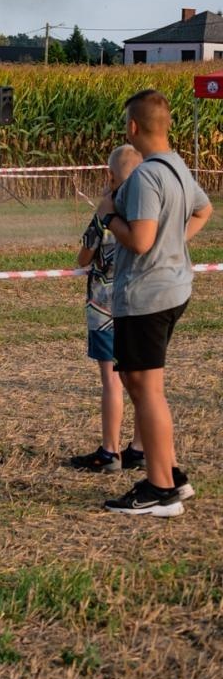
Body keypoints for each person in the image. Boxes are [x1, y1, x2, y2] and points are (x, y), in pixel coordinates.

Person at [97, 88, 211, 517]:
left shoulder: (145, 176)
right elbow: (205, 210)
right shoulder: (177, 166)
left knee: (147, 392)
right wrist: (174, 243)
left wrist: (109, 216)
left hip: (146, 296)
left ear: (132, 127)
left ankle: (159, 488)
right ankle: (170, 474)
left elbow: (141, 241)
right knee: (143, 387)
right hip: (172, 288)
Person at [67, 145, 145, 474]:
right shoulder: (146, 211)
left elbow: (84, 257)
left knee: (111, 380)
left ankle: (110, 451)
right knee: (144, 382)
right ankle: (140, 448)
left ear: (110, 176)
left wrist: (102, 210)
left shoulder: (107, 212)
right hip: (142, 305)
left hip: (104, 310)